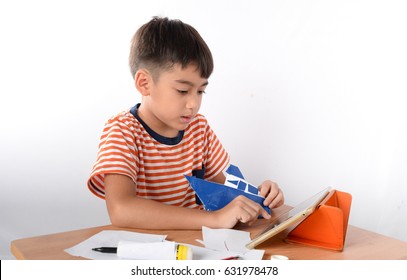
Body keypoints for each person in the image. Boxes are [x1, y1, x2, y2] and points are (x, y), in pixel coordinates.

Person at [87, 16, 284, 230]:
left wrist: (259, 196)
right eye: (182, 90)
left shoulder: (199, 129)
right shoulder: (122, 131)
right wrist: (214, 220)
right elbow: (121, 210)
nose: (193, 104)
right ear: (144, 83)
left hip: (196, 247)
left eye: (200, 91)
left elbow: (228, 195)